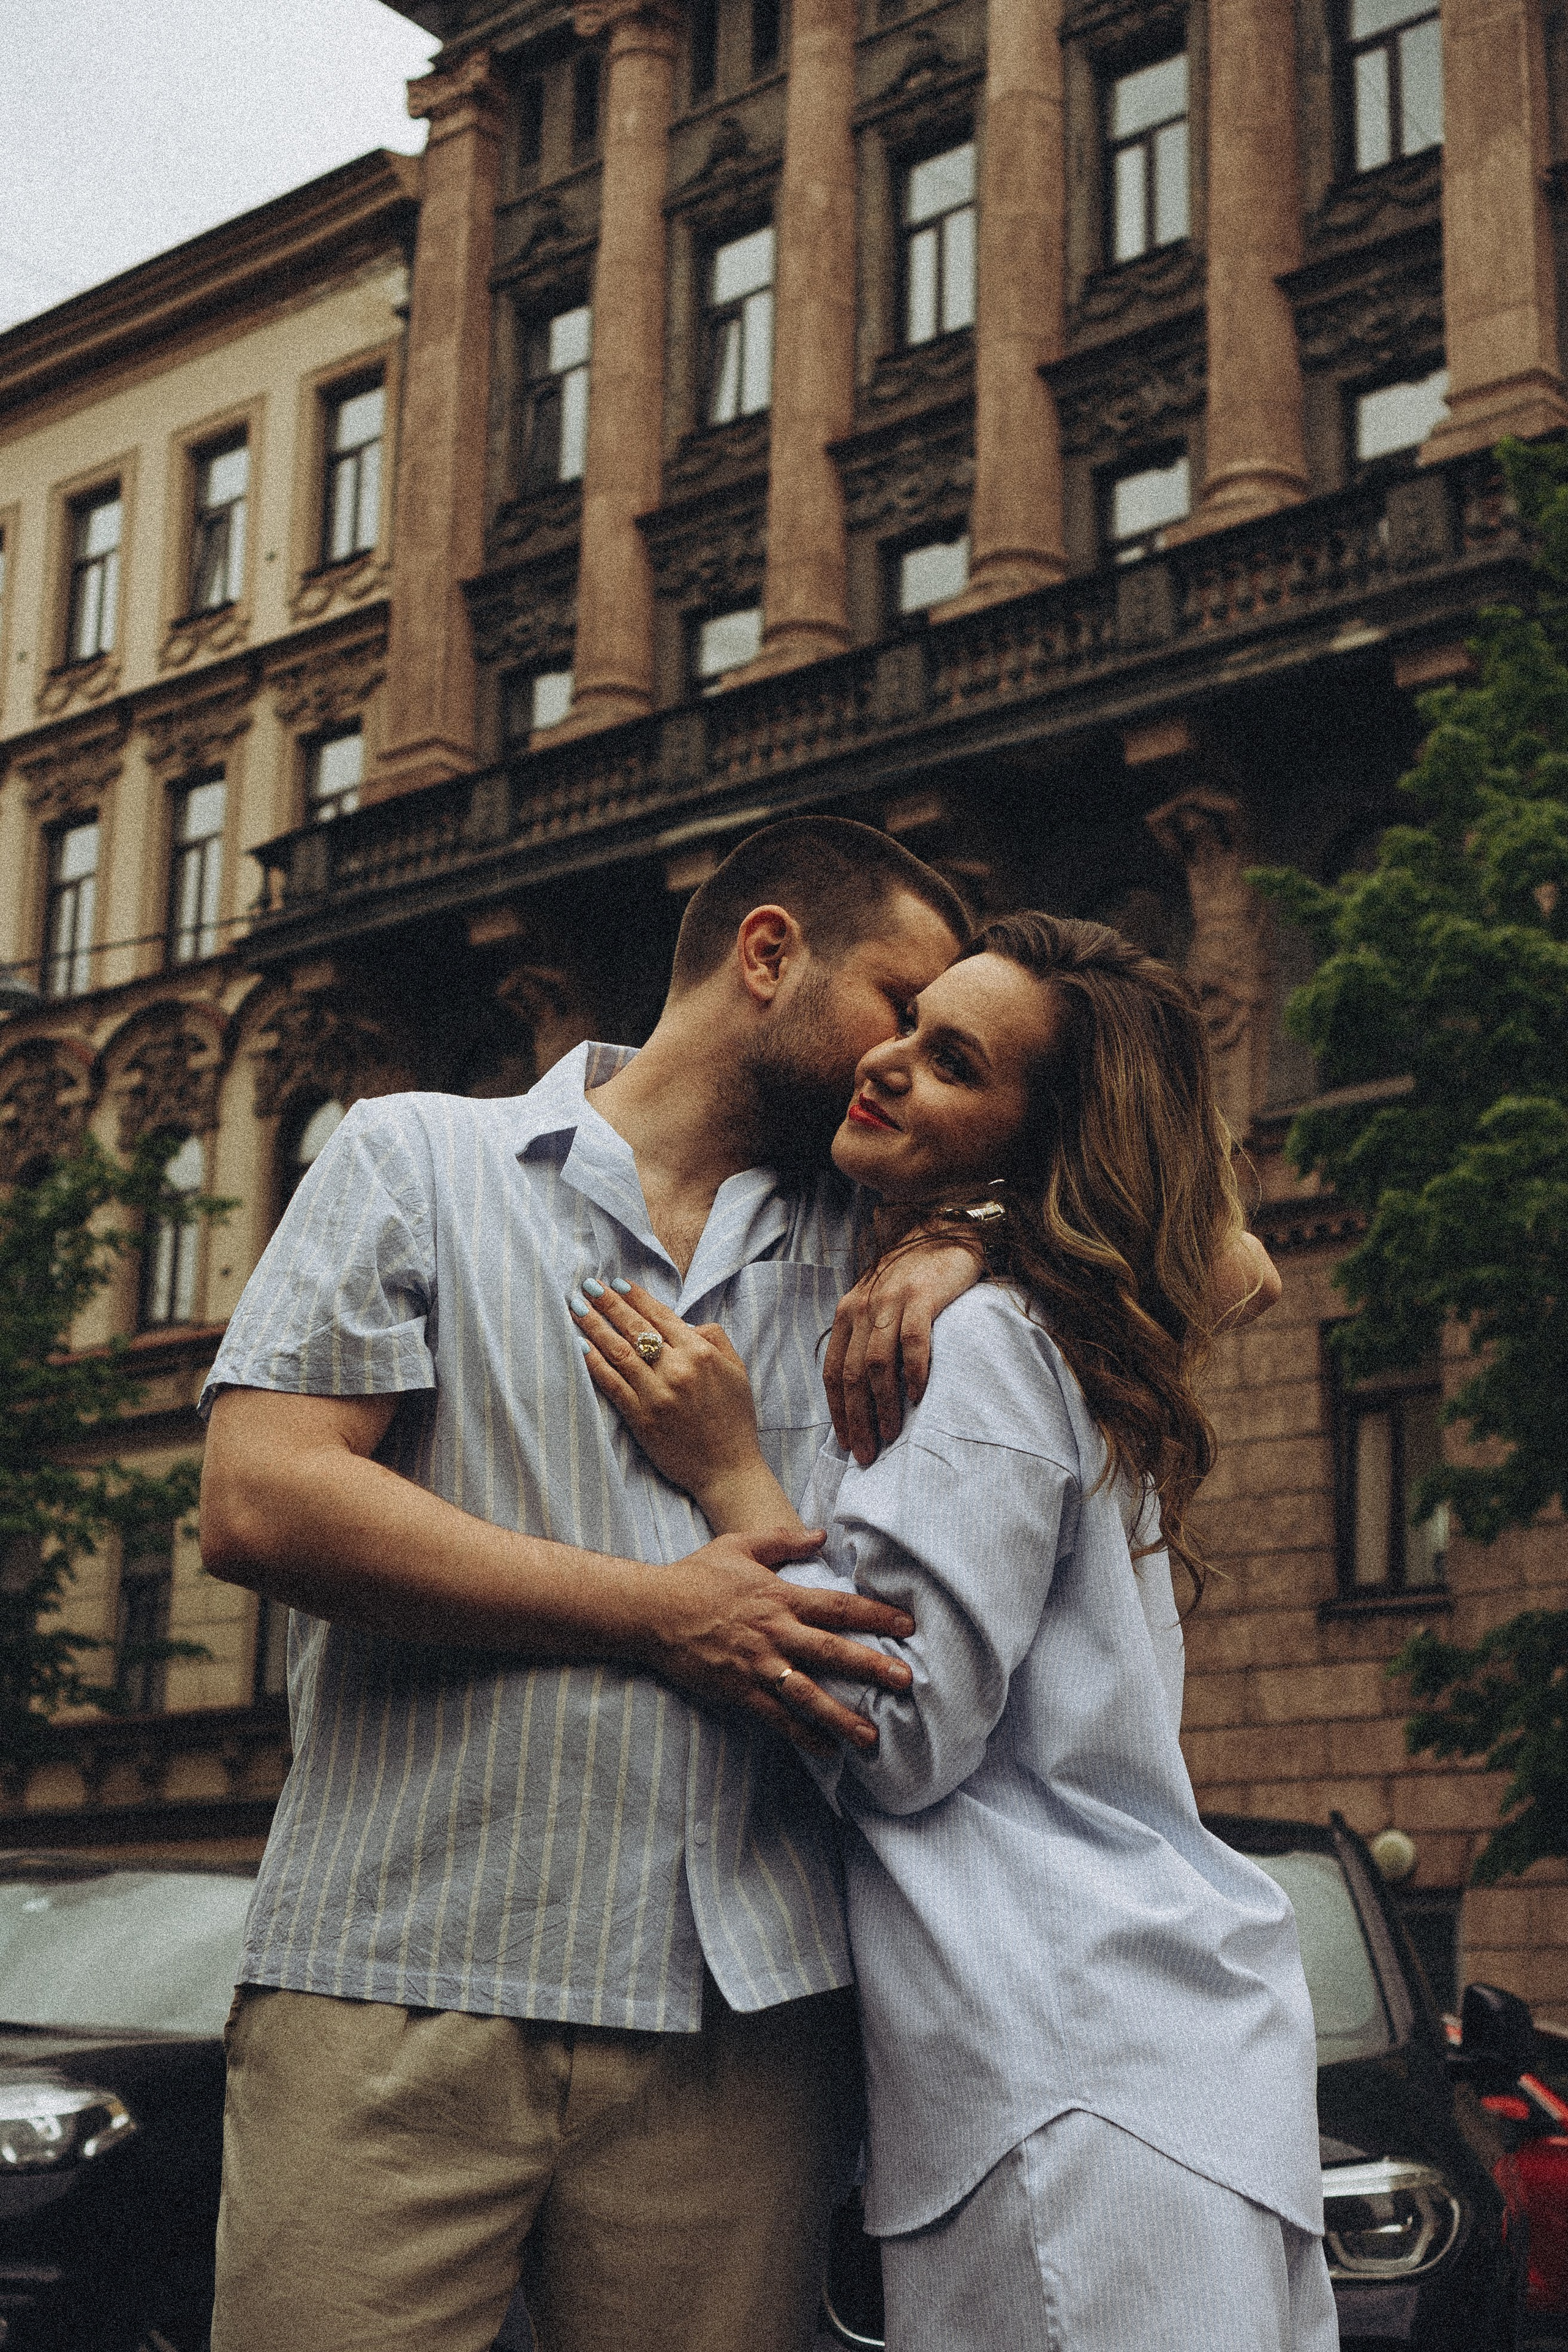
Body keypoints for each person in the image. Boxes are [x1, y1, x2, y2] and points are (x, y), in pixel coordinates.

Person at [570, 911, 1333, 2352]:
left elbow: (901, 1728)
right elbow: (1223, 1254)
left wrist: (730, 1468)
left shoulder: (981, 1344)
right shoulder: (1056, 1320)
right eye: (909, 1027)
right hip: (1138, 2063)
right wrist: (974, 1232)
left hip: (1057, 2066)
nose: (890, 1062)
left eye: (953, 1061)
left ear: (1036, 1142)